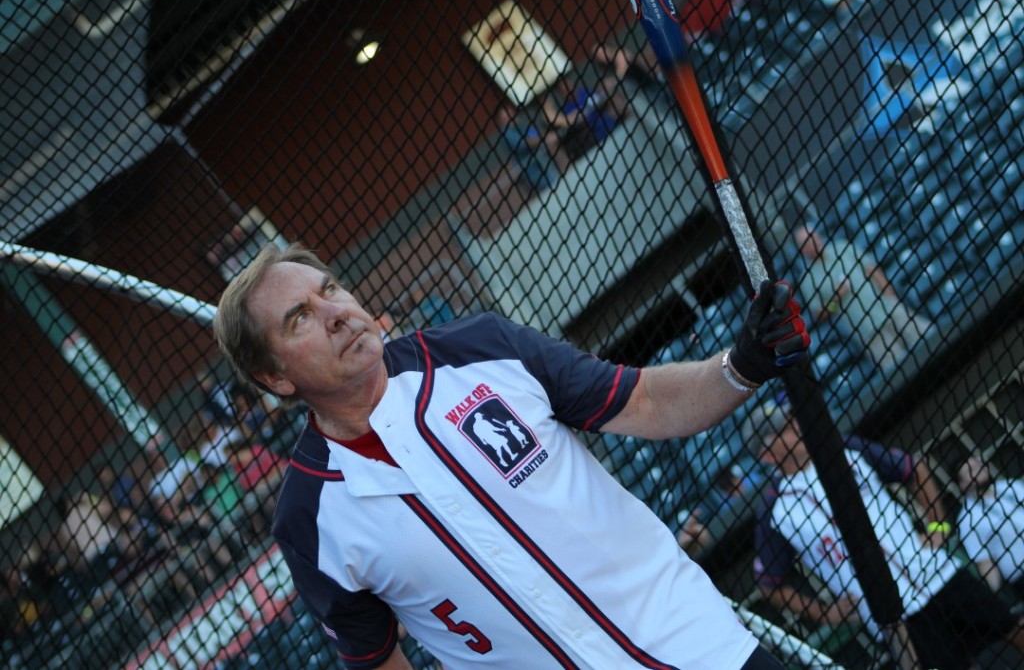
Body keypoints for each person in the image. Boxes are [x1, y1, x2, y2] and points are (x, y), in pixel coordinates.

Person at [213, 243, 810, 670]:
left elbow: (647, 401)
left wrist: (742, 365)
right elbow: (374, 658)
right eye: (300, 318)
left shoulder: (478, 347)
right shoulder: (307, 517)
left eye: (330, 289)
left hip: (703, 648)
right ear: (275, 378)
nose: (336, 313)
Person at [747, 401, 1024, 670]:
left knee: (1010, 626)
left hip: (933, 571)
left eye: (791, 421)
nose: (795, 427)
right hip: (893, 615)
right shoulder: (774, 509)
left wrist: (937, 528)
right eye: (783, 429)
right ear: (767, 455)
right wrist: (825, 613)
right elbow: (769, 585)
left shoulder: (843, 449)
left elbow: (913, 468)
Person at [792, 225, 929, 370]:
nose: (814, 242)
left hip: (888, 309)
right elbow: (820, 314)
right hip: (867, 332)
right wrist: (836, 299)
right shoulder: (808, 280)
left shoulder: (842, 247)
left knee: (927, 337)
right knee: (900, 369)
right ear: (803, 250)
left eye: (814, 237)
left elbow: (872, 270)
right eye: (808, 242)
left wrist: (892, 298)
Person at [955, 454, 1024, 595]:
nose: (978, 469)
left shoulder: (1011, 486)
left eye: (978, 465)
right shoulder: (968, 520)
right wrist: (995, 596)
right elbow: (984, 562)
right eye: (970, 470)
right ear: (962, 485)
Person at [495, 104, 565, 193]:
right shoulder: (506, 133)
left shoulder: (522, 124)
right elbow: (525, 143)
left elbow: (535, 135)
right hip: (534, 174)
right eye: (505, 118)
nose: (510, 118)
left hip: (546, 164)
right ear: (501, 122)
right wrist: (547, 138)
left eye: (511, 114)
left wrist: (545, 137)